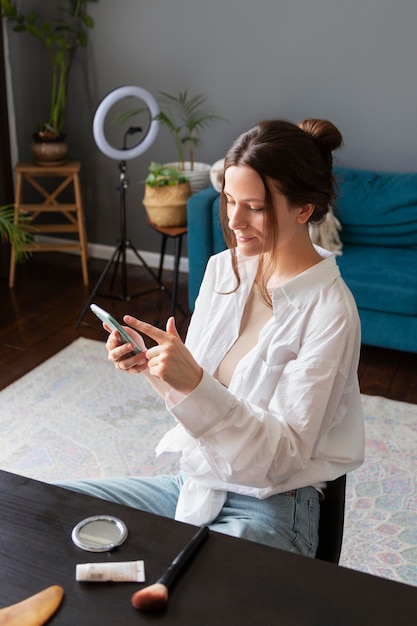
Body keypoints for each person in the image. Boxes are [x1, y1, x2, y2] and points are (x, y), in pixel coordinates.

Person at [60, 119, 364, 557]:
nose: (234, 221)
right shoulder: (226, 270)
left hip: (271, 504)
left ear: (305, 209)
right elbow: (200, 401)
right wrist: (153, 365)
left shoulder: (331, 312)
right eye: (230, 200)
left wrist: (193, 382)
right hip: (199, 482)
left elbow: (280, 460)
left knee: (192, 590)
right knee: (56, 506)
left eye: (254, 207)